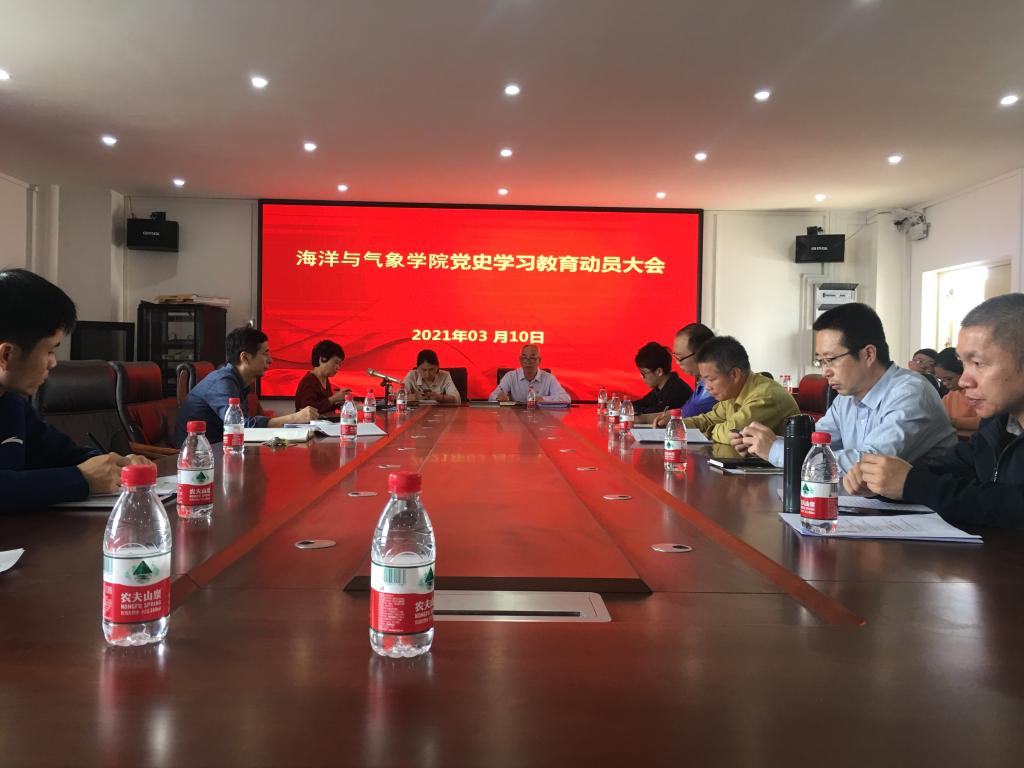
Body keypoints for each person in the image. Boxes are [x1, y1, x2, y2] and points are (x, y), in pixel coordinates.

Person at [735, 303, 956, 492]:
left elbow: (869, 464)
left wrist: (776, 450)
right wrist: (761, 446)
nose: (825, 372)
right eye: (821, 361)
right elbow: (816, 445)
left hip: (923, 517)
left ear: (868, 354)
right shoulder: (846, 398)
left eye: (831, 359)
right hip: (870, 509)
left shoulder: (911, 394)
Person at [857, 294, 1024, 529]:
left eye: (978, 363)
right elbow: (949, 470)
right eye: (963, 364)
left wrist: (913, 484)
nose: (964, 380)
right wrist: (883, 481)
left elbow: (1013, 505)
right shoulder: (997, 426)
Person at [0, 268, 151, 510]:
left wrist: (114, 465)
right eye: (50, 350)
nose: (53, 362)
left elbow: (62, 453)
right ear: (7, 355)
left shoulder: (12, 404)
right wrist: (80, 479)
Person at [174, 326, 319, 446]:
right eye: (265, 354)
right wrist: (294, 418)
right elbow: (242, 426)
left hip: (224, 449)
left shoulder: (238, 382)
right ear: (245, 358)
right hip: (200, 457)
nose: (270, 360)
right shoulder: (222, 382)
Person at [682, 335, 799, 442]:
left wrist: (707, 432)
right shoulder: (732, 393)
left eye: (711, 379)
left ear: (734, 374)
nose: (707, 387)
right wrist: (677, 425)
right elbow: (708, 420)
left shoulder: (766, 396)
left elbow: (733, 432)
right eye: (703, 379)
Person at [653, 323, 716, 426]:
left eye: (680, 357)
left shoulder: (718, 389)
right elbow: (686, 413)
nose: (677, 362)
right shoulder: (702, 383)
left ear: (701, 354)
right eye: (675, 356)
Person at [631, 341, 692, 424]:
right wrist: (622, 406)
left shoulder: (677, 391)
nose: (641, 377)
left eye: (643, 373)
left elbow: (655, 412)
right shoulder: (660, 388)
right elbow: (643, 403)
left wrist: (628, 411)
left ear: (659, 371)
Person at [489, 345, 570, 404]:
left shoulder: (549, 378)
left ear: (539, 360)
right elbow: (492, 397)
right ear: (520, 360)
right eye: (524, 358)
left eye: (532, 358)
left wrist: (543, 399)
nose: (528, 361)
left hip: (541, 418)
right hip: (515, 418)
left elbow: (566, 398)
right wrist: (498, 397)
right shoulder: (510, 377)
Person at [934, 346, 979, 439]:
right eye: (941, 380)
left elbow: (984, 422)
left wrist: (953, 422)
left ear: (964, 372)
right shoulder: (950, 396)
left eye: (949, 379)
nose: (944, 383)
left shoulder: (979, 393)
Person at [294, 339, 349, 414]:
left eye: (339, 364)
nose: (338, 367)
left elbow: (324, 406)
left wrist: (340, 404)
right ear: (323, 359)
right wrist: (334, 398)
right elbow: (307, 411)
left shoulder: (324, 379)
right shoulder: (309, 381)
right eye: (336, 362)